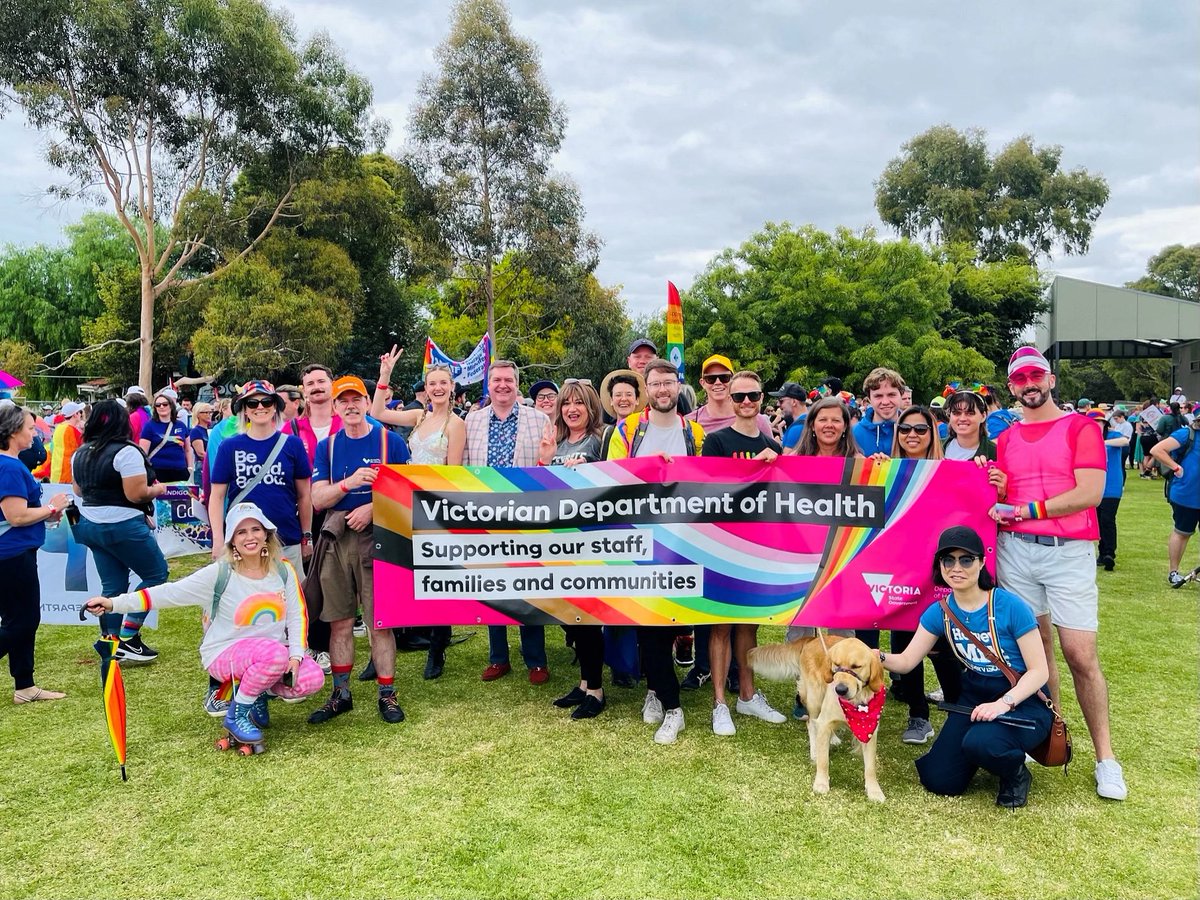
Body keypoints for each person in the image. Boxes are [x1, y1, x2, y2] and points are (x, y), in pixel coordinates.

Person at [988, 346, 1126, 801]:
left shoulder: (1081, 427)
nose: (1029, 384)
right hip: (1016, 550)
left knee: (1080, 655)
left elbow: (1090, 492)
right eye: (1019, 378)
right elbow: (1006, 494)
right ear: (1012, 386)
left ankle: (1106, 758)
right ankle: (1049, 735)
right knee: (1036, 651)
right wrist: (996, 493)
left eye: (1036, 376)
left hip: (1068, 552)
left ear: (1049, 380)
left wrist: (1026, 510)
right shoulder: (1006, 437)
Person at [84, 503, 324, 750]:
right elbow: (168, 593)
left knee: (312, 678)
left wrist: (296, 655)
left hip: (270, 656)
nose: (250, 537)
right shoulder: (219, 573)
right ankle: (237, 716)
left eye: (256, 529)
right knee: (273, 655)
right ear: (231, 540)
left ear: (266, 534)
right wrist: (113, 603)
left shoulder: (283, 569)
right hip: (225, 653)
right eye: (241, 532)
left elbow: (297, 615)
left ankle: (257, 692)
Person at [879, 526, 1051, 809]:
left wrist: (1003, 704)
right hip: (974, 696)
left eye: (966, 559)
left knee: (981, 742)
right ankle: (985, 748)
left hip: (1023, 699)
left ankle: (1015, 774)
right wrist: (875, 656)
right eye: (948, 560)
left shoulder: (1010, 606)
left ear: (982, 563)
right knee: (938, 779)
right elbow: (907, 661)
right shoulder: (940, 611)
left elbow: (1039, 672)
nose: (956, 568)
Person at [607, 358, 706, 744]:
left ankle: (657, 690)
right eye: (656, 384)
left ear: (678, 385)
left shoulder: (694, 432)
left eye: (669, 382)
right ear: (646, 389)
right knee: (647, 623)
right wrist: (650, 468)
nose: (663, 389)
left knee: (671, 622)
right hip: (640, 540)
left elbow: (710, 480)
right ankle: (670, 704)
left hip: (683, 541)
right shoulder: (628, 428)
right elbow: (613, 475)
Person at [307, 375, 410, 725]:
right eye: (344, 401)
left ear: (367, 402)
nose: (351, 406)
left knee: (380, 622)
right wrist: (348, 484)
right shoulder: (328, 447)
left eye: (356, 399)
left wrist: (373, 509)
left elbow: (407, 494)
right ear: (335, 407)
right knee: (339, 621)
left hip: (379, 537)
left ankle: (387, 693)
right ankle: (341, 694)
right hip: (337, 538)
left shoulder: (391, 442)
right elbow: (318, 498)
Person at [700, 370, 788, 736]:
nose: (747, 402)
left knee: (749, 625)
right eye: (739, 397)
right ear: (731, 401)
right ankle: (720, 702)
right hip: (723, 544)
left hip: (759, 547)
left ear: (762, 399)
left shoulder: (774, 446)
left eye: (753, 395)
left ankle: (748, 696)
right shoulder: (716, 441)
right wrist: (752, 468)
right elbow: (709, 490)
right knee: (721, 625)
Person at [372, 350, 466, 679]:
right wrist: (385, 375)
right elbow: (377, 412)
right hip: (405, 504)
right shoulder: (418, 417)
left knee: (438, 579)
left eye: (443, 383)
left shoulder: (456, 425)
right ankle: (386, 645)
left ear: (451, 387)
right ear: (426, 388)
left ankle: (437, 647)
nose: (437, 388)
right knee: (400, 575)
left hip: (436, 507)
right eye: (432, 383)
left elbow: (453, 474)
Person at [463, 360, 551, 684]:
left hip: (526, 514)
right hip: (485, 514)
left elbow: (546, 467)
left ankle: (536, 660)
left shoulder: (539, 419)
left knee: (529, 586)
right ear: (488, 385)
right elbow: (463, 467)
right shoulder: (472, 421)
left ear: (516, 384)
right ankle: (498, 657)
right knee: (492, 585)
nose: (502, 385)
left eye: (508, 380)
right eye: (496, 380)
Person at [883, 405, 962, 744]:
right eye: (905, 429)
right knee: (904, 641)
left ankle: (959, 712)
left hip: (941, 574)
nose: (912, 435)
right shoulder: (885, 470)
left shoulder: (951, 472)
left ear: (933, 434)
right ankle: (918, 715)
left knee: (945, 647)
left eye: (920, 429)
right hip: (900, 573)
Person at [70, 399, 169, 664]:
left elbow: (78, 490)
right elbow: (136, 494)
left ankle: (111, 641)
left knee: (112, 585)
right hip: (123, 525)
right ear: (123, 422)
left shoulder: (80, 453)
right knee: (156, 574)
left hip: (91, 524)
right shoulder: (127, 452)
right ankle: (128, 638)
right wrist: (157, 490)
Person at [536, 380, 608, 719]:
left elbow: (613, 485)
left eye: (579, 402)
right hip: (560, 544)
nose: (572, 409)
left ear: (591, 406)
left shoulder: (601, 439)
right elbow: (542, 491)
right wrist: (545, 461)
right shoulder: (559, 442)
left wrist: (588, 471)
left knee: (588, 618)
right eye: (566, 403)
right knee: (571, 618)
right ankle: (583, 683)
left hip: (590, 544)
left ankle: (596, 690)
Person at [0, 401, 70, 703]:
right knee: (23, 621)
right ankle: (24, 685)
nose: (35, 435)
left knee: (19, 620)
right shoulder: (9, 467)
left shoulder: (9, 464)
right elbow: (16, 516)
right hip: (12, 554)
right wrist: (52, 507)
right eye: (30, 429)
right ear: (13, 431)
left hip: (15, 551)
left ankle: (25, 686)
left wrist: (46, 513)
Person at [208, 381, 313, 574]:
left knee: (289, 592)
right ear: (244, 410)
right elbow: (217, 496)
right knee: (245, 592)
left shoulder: (293, 445)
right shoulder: (229, 446)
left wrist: (307, 536)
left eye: (266, 402)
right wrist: (218, 539)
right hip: (243, 541)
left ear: (275, 407)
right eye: (252, 403)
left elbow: (304, 495)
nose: (260, 407)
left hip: (286, 538)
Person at [1149, 416, 1200, 586]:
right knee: (1182, 532)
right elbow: (1157, 450)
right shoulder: (1187, 434)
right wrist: (1176, 467)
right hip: (1186, 494)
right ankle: (1173, 571)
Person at [686, 354, 773, 437]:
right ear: (703, 383)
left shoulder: (757, 421)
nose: (718, 382)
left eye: (724, 377)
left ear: (732, 380)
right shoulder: (689, 422)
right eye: (711, 379)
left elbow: (770, 447)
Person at [1096, 411, 1129, 572]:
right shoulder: (1085, 438)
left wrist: (1103, 443)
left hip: (1112, 483)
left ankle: (1109, 553)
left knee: (1107, 519)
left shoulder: (1113, 435)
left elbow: (1124, 441)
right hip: (1094, 485)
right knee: (1098, 520)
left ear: (1105, 423)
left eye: (1099, 421)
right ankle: (1102, 552)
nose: (1096, 425)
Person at [140, 389, 192, 484]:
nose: (161, 407)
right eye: (158, 405)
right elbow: (143, 452)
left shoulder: (181, 425)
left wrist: (190, 468)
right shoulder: (149, 426)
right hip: (157, 471)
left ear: (171, 406)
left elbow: (188, 449)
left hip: (180, 470)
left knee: (182, 494)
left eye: (165, 404)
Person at [853, 367, 905, 456]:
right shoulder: (854, 434)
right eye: (878, 396)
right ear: (869, 399)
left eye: (891, 395)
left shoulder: (914, 432)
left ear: (901, 395)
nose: (885, 402)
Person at [787, 396, 860, 458]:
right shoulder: (795, 459)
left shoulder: (857, 463)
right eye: (823, 420)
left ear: (845, 426)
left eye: (836, 420)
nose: (829, 425)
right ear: (812, 425)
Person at [598, 369, 647, 458]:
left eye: (629, 394)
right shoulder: (604, 433)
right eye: (618, 395)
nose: (623, 399)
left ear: (637, 400)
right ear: (611, 400)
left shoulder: (645, 429)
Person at [942, 389, 996, 462]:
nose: (962, 418)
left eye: (970, 413)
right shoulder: (935, 447)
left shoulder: (996, 453)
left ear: (983, 416)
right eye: (956, 413)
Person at [49, 400, 86, 484]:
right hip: (67, 476)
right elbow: (85, 447)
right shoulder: (72, 431)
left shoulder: (59, 427)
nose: (81, 415)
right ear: (75, 414)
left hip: (56, 474)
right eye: (79, 412)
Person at [772, 383, 809, 450]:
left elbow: (787, 456)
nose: (778, 404)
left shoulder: (797, 428)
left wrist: (777, 446)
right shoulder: (809, 421)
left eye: (781, 401)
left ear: (794, 402)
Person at [188, 402, 213, 490]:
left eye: (210, 412)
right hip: (202, 466)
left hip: (210, 465)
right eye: (206, 412)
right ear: (198, 414)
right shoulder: (196, 431)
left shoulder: (211, 430)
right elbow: (201, 453)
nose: (209, 415)